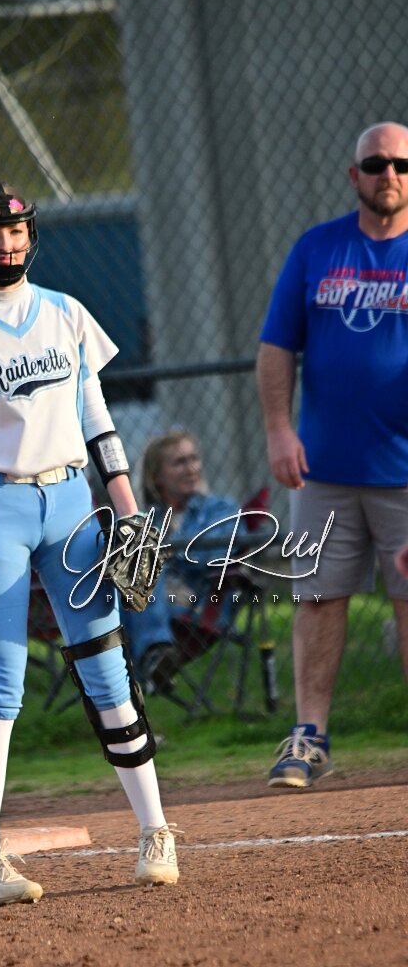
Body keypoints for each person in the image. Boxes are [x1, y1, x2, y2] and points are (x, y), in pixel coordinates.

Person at [0, 181, 179, 907]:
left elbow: (99, 424)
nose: (6, 245)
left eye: (16, 232)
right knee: (1, 686)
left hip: (73, 503)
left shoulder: (65, 313)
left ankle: (156, 832)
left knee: (107, 672)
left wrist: (128, 512)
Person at [257, 121, 408, 790]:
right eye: (375, 164)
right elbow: (276, 346)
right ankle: (309, 737)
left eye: (401, 164)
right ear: (355, 175)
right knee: (318, 598)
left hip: (404, 471)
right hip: (325, 468)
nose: (389, 174)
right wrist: (278, 430)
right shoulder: (317, 248)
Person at [121, 430, 240, 694]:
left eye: (194, 459)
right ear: (157, 477)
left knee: (142, 565)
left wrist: (170, 553)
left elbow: (213, 556)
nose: (191, 468)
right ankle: (153, 663)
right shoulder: (148, 517)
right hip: (153, 598)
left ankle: (148, 662)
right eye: (179, 462)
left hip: (200, 601)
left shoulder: (222, 510)